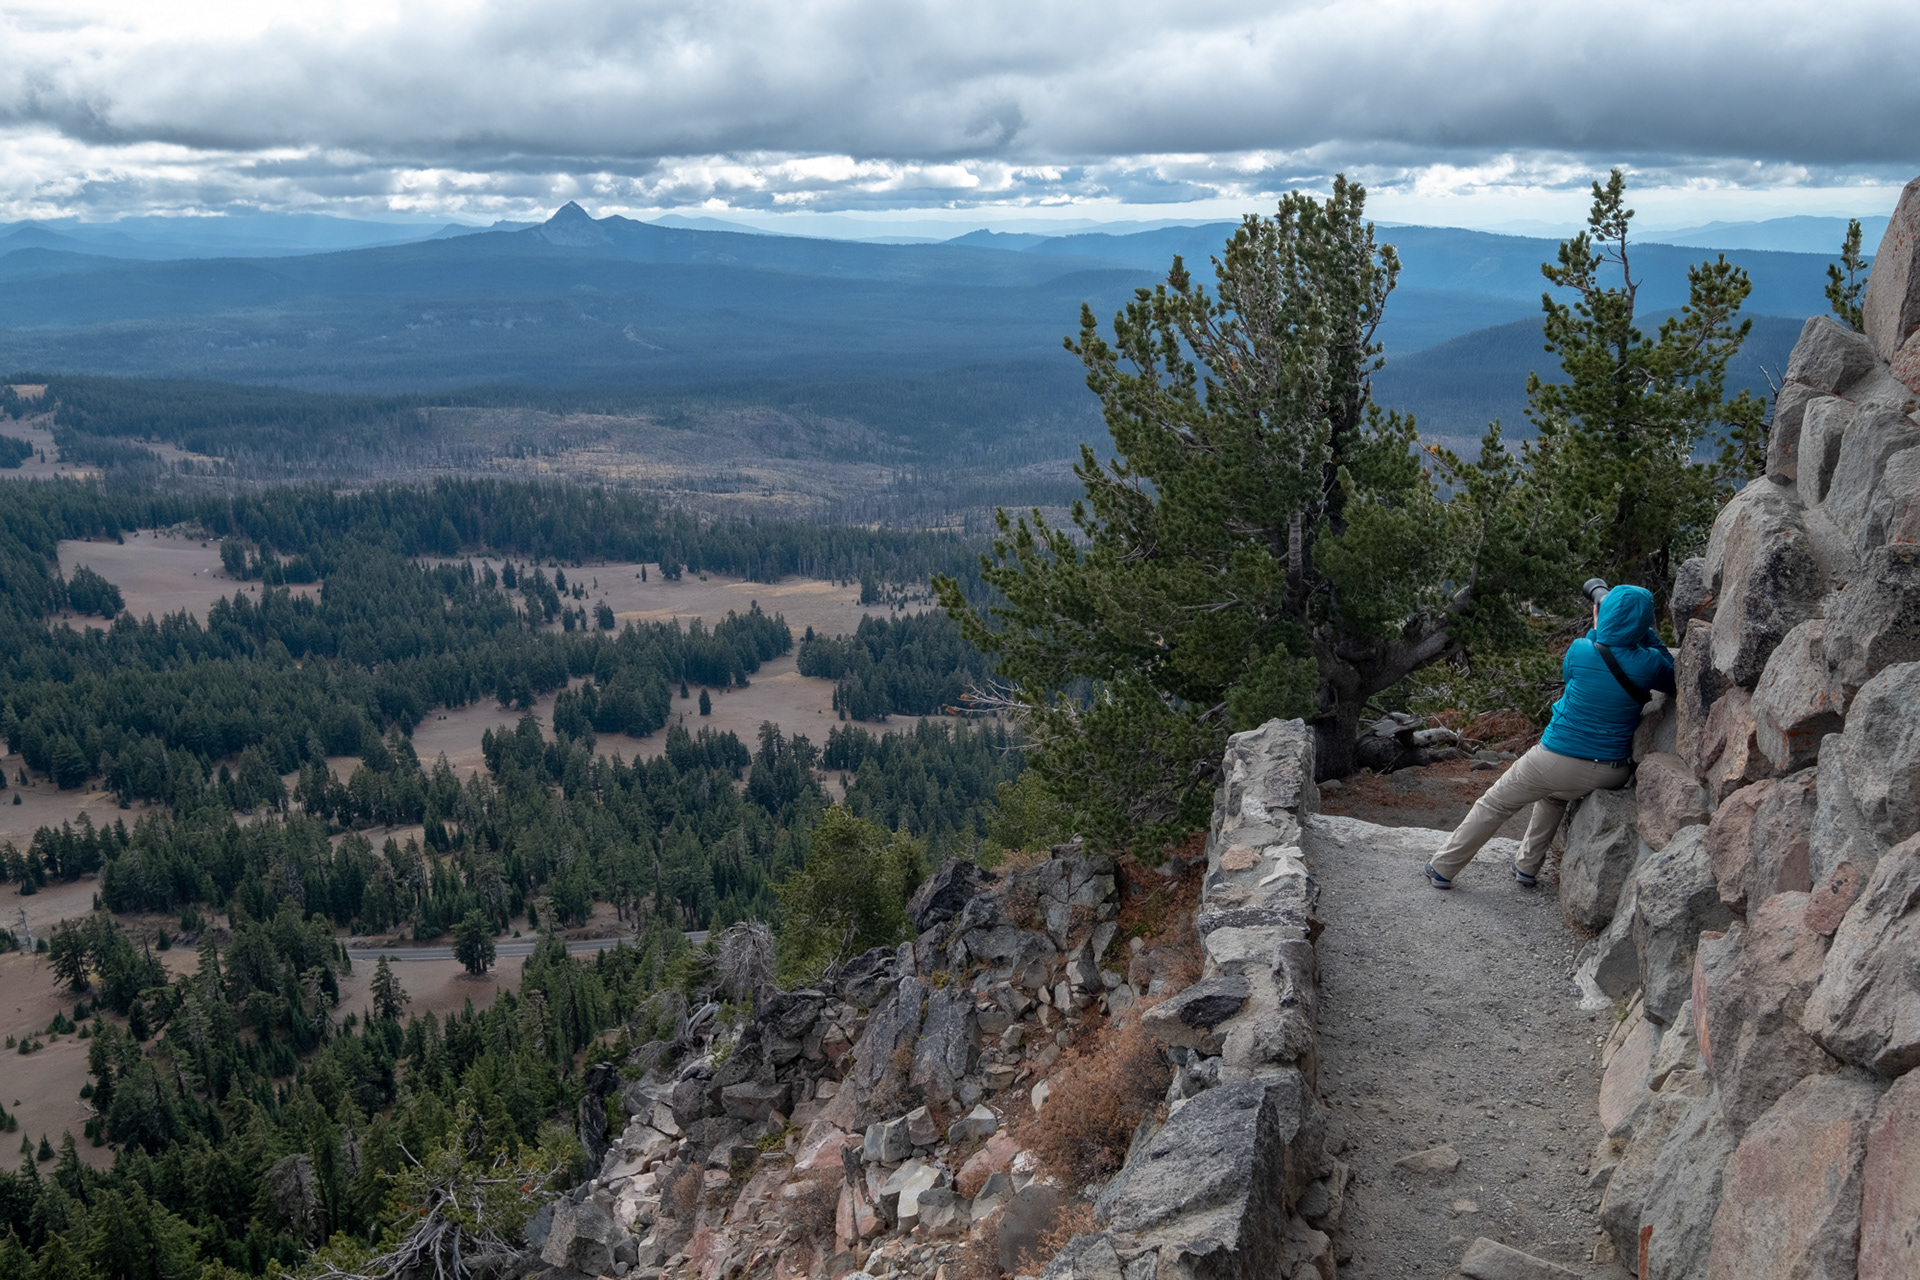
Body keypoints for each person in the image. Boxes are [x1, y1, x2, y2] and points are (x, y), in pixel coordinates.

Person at [1425, 583, 1676, 889]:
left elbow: (1582, 667)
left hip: (1558, 759)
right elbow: (1671, 673)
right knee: (1553, 797)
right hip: (1613, 770)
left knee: (1495, 803)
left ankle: (1442, 868)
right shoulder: (1649, 663)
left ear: (1604, 613)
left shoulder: (1581, 650)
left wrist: (1601, 627)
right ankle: (1526, 867)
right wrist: (1645, 633)